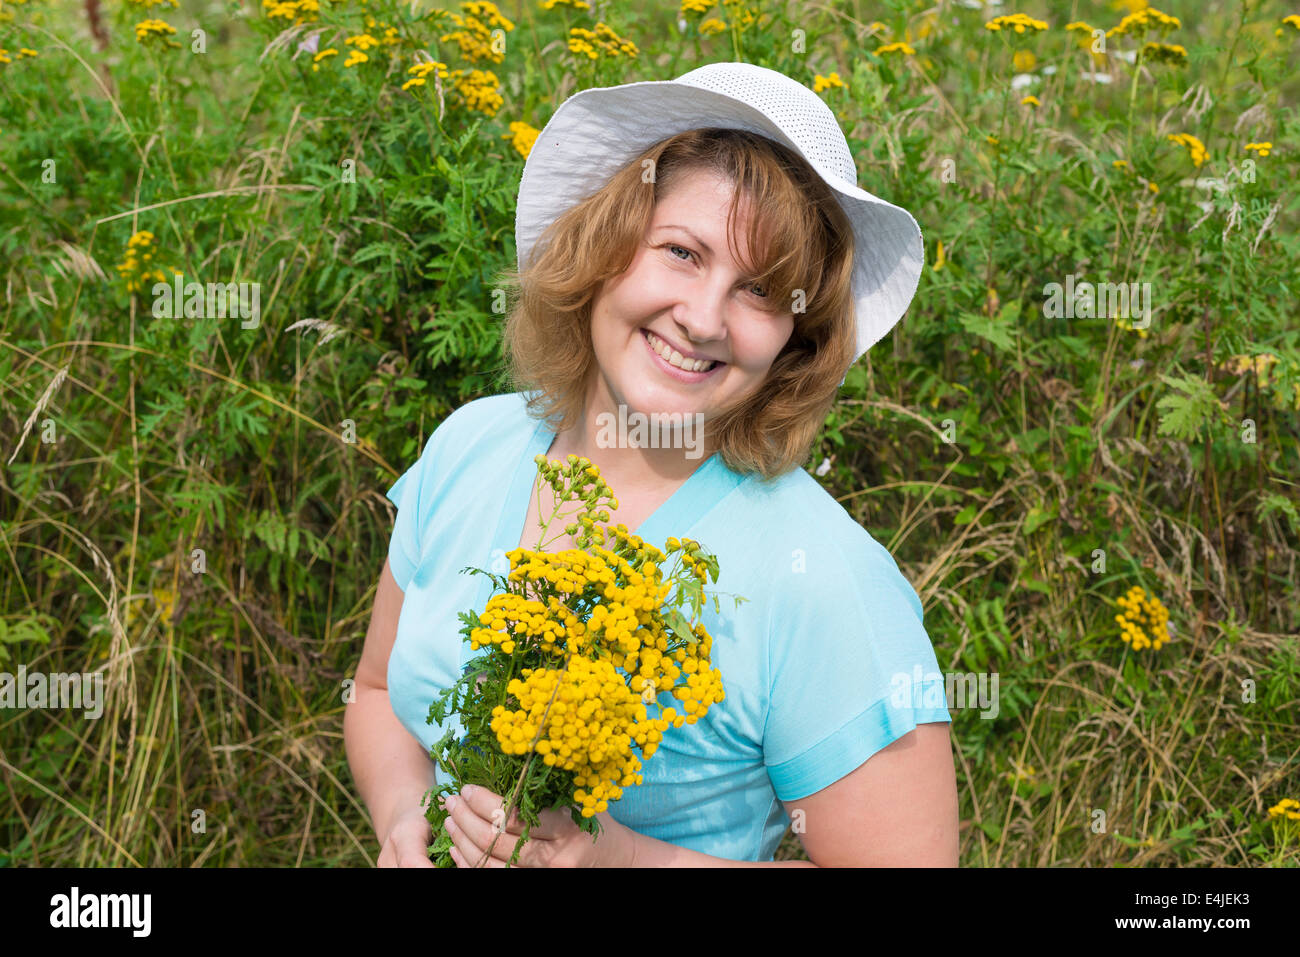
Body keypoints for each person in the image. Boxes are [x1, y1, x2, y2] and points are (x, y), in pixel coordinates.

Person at [344, 61, 959, 867]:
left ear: (794, 340)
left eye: (762, 292)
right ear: (604, 245)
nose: (704, 318)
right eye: (681, 251)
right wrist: (402, 817)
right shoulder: (472, 447)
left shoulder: (823, 577)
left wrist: (617, 859)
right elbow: (382, 696)